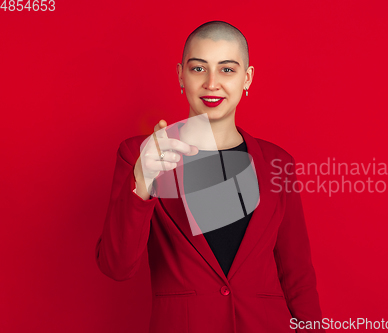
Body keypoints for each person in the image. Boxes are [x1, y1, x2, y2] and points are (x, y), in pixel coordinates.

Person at [95, 20, 324, 333]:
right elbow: (116, 266)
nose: (212, 83)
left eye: (227, 69)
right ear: (181, 75)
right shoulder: (140, 153)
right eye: (198, 69)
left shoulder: (277, 162)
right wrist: (144, 181)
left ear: (247, 77)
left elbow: (297, 276)